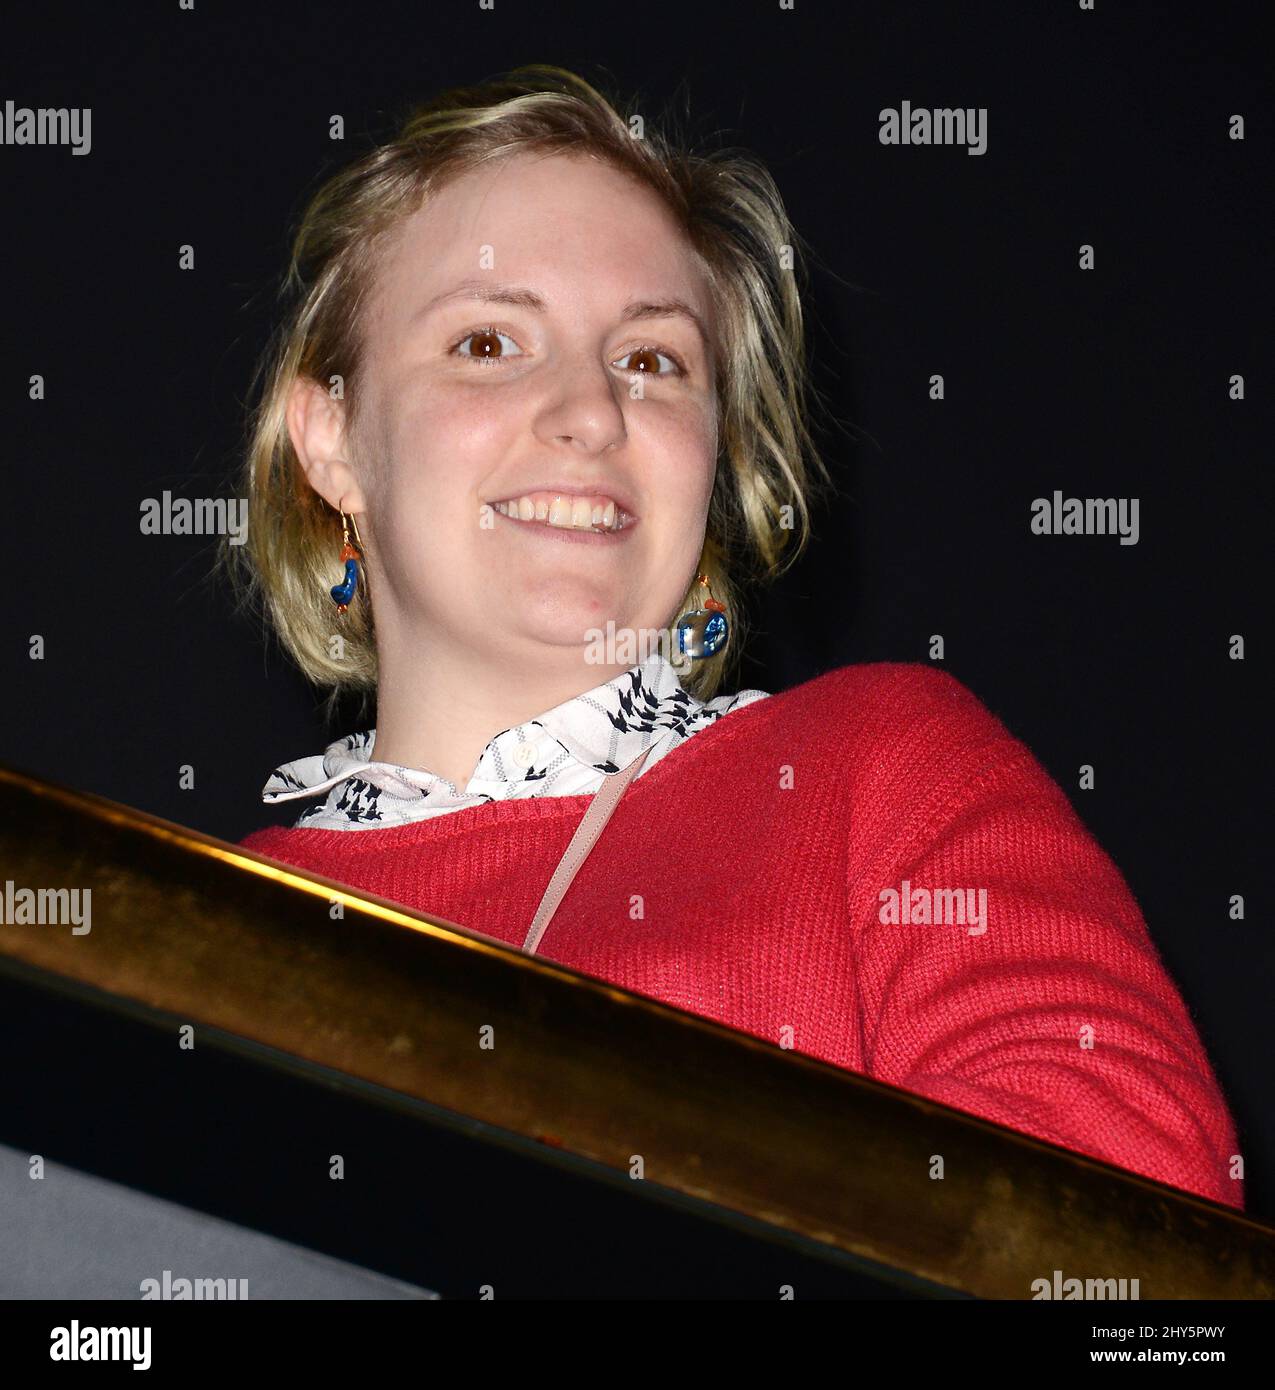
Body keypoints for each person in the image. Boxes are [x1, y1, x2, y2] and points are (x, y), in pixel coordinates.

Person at [225, 65, 1243, 1212]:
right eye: (489, 343)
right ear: (332, 438)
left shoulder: (877, 768)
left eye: (653, 361)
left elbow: (1121, 1224)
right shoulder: (209, 926)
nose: (592, 410)